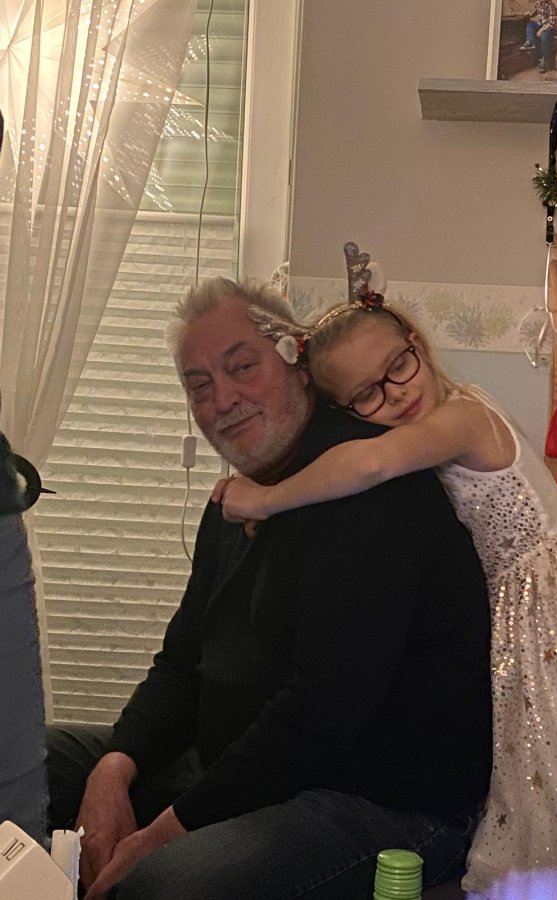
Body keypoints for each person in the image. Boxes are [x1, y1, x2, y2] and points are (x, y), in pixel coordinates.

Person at [214, 255, 557, 894]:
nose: (396, 392)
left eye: (398, 366)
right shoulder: (444, 417)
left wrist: (265, 498)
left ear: (417, 345)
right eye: (368, 394)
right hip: (539, 609)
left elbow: (369, 465)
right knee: (545, 767)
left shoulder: (460, 418)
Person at [45, 276, 493, 899]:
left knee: (164, 885)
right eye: (199, 385)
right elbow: (183, 663)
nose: (223, 399)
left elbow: (322, 710)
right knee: (35, 760)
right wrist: (114, 768)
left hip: (382, 802)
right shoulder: (234, 501)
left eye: (242, 367)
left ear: (299, 366)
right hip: (245, 771)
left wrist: (161, 835)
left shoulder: (367, 488)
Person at [519, 0, 557, 73]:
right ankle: (530, 42)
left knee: (545, 36)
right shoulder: (539, 3)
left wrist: (541, 30)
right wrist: (529, 14)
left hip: (551, 27)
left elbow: (552, 22)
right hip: (542, 24)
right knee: (530, 24)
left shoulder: (550, 6)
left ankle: (545, 59)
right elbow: (535, 11)